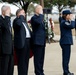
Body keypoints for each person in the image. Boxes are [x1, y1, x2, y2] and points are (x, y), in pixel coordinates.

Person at [13, 9, 31, 75]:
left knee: (26, 61)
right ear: (18, 14)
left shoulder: (24, 22)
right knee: (21, 62)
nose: (24, 14)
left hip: (27, 43)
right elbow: (18, 25)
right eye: (23, 13)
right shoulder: (16, 21)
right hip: (21, 44)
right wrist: (20, 16)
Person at [59, 10, 76, 75]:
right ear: (66, 15)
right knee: (65, 58)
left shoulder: (67, 22)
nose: (70, 16)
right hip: (65, 42)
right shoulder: (63, 22)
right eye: (69, 15)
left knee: (67, 57)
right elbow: (72, 26)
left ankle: (67, 71)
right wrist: (73, 19)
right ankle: (65, 72)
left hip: (67, 42)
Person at [31, 5, 46, 75]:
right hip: (37, 41)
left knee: (41, 58)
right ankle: (38, 72)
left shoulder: (40, 17)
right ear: (36, 10)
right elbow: (38, 22)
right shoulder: (34, 18)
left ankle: (41, 71)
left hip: (42, 41)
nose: (42, 10)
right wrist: (40, 14)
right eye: (40, 9)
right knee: (37, 58)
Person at [0, 5, 14, 75]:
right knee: (4, 68)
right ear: (3, 12)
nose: (10, 13)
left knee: (10, 68)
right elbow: (4, 27)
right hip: (4, 48)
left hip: (10, 48)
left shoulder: (8, 20)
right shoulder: (1, 20)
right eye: (8, 11)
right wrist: (7, 17)